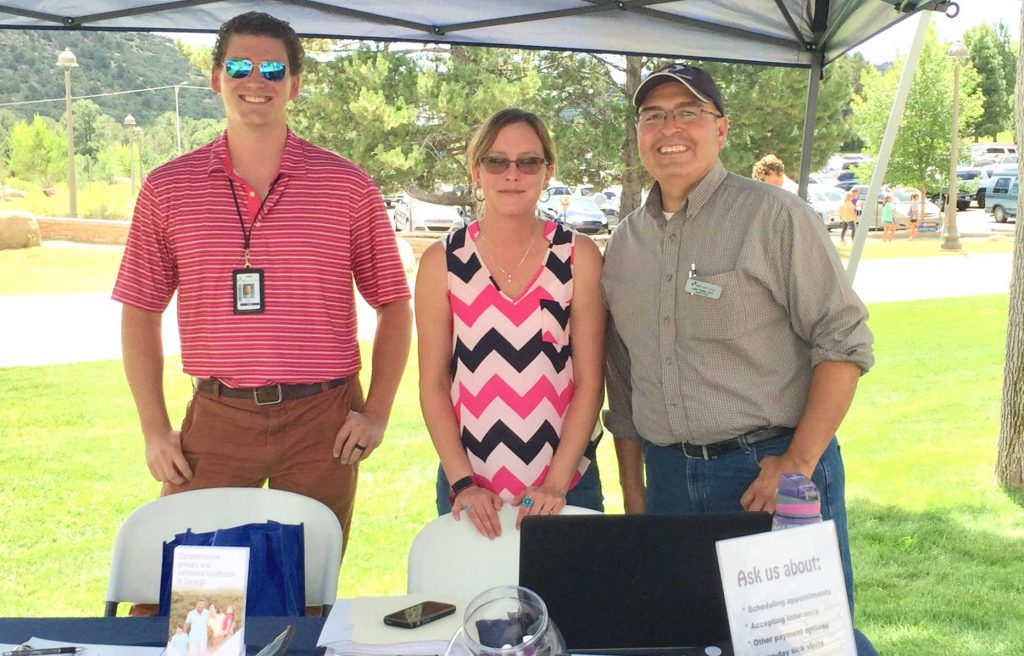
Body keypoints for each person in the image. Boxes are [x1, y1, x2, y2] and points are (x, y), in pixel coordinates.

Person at [112, 12, 412, 549]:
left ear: (294, 84)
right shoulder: (168, 188)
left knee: (306, 592)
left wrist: (377, 414)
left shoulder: (346, 185)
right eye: (240, 66)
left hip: (324, 421)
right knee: (193, 594)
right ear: (215, 78)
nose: (256, 80)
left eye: (273, 68)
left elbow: (393, 302)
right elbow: (140, 309)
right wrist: (155, 429)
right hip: (217, 417)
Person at [602, 63, 875, 645]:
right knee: (686, 635)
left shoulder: (776, 218)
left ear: (721, 129)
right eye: (654, 115)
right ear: (639, 134)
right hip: (668, 481)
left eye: (688, 113)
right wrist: (634, 491)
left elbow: (844, 342)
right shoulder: (624, 244)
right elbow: (622, 377)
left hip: (769, 472)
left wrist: (798, 464)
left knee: (803, 640)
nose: (669, 126)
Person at [416, 108, 605, 538]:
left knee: (574, 606)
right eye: (496, 161)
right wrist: (463, 482)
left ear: (547, 170)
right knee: (471, 605)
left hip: (567, 488)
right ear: (476, 170)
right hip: (470, 492)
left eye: (528, 162)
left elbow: (591, 382)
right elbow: (432, 384)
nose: (512, 174)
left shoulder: (579, 256)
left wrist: (556, 484)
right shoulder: (442, 261)